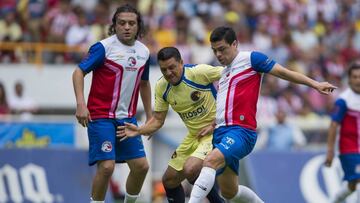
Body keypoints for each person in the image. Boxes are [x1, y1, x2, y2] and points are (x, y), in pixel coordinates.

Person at [188, 26, 337, 203]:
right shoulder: (224, 72)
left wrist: (315, 84)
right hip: (221, 132)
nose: (218, 55)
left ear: (234, 44)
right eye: (215, 51)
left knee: (210, 162)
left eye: (222, 49)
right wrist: (212, 125)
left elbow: (283, 72)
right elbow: (226, 106)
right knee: (230, 192)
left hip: (241, 132)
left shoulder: (251, 59)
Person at [118, 47, 224, 203]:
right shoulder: (162, 87)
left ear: (181, 62)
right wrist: (140, 130)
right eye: (163, 69)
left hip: (216, 132)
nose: (168, 73)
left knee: (190, 169)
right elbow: (158, 120)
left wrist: (217, 120)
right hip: (194, 136)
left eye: (172, 67)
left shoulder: (198, 72)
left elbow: (232, 74)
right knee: (169, 180)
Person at [72, 4, 152, 203]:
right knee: (107, 167)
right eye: (122, 23)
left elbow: (144, 84)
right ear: (114, 25)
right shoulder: (103, 48)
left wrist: (150, 116)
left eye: (131, 23)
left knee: (141, 167)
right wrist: (81, 104)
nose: (126, 27)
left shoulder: (144, 52)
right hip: (101, 117)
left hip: (127, 120)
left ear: (138, 26)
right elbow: (78, 72)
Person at [325, 62, 360, 203]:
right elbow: (334, 125)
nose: (358, 80)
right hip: (350, 150)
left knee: (352, 186)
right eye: (355, 77)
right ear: (349, 79)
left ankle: (335, 201)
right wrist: (330, 151)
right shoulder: (343, 100)